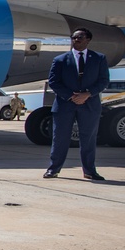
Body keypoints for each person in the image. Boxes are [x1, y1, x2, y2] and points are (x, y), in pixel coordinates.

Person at [43, 27, 110, 180]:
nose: (76, 40)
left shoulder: (99, 58)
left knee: (89, 139)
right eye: (73, 37)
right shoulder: (60, 60)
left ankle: (89, 171)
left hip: (90, 105)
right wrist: (71, 96)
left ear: (88, 40)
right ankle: (53, 169)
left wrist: (87, 94)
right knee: (60, 138)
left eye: (79, 37)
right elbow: (54, 81)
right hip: (65, 105)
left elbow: (103, 81)